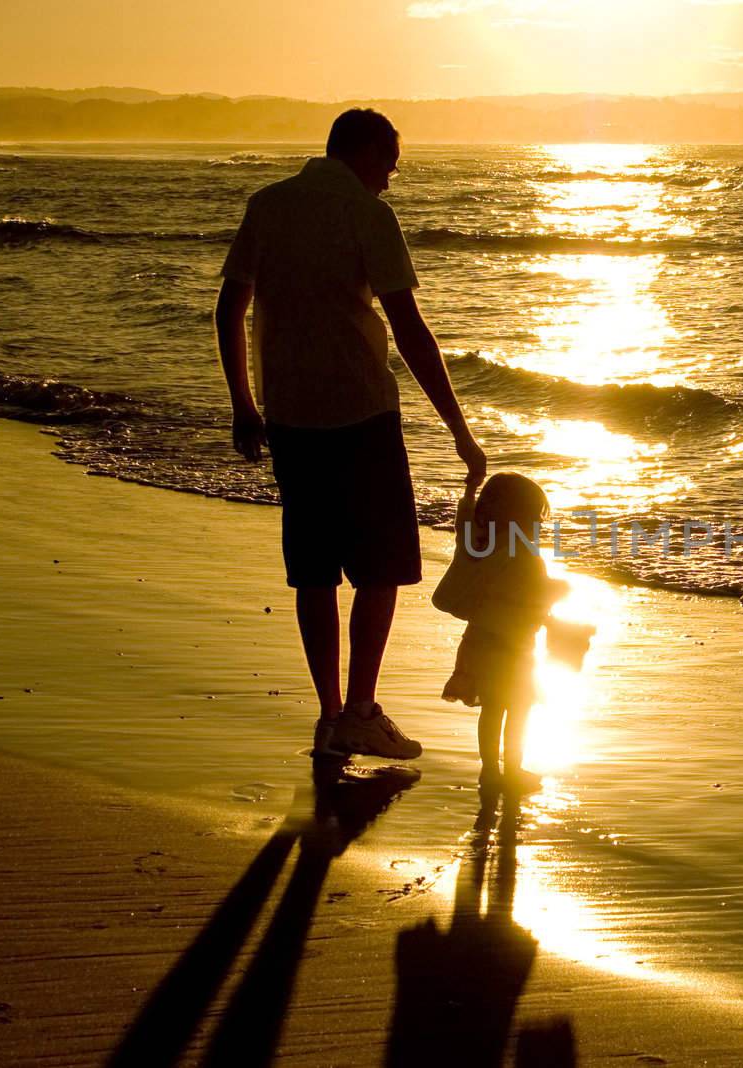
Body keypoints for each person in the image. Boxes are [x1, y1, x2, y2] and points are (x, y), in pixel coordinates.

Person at [215, 108, 486, 761]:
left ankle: (331, 712)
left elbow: (230, 306)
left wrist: (243, 406)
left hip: (288, 412)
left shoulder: (270, 204)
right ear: (362, 152)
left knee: (313, 571)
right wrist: (458, 427)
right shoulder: (368, 215)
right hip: (362, 414)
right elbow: (411, 331)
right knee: (381, 566)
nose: (389, 182)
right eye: (388, 165)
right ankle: (360, 711)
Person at [433, 472, 591, 797]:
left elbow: (465, 515)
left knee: (493, 709)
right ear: (520, 515)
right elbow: (532, 598)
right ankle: (512, 769)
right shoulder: (520, 552)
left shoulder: (476, 540)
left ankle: (490, 771)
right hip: (513, 647)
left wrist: (471, 487)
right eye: (535, 516)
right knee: (518, 709)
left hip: (478, 641)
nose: (539, 525)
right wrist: (562, 590)